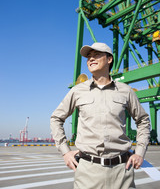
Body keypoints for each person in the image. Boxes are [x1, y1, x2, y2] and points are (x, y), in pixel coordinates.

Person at [50, 42, 150, 189]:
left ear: (109, 59)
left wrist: (140, 152)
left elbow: (143, 120)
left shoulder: (126, 91)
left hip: (122, 172)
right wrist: (65, 152)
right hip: (87, 171)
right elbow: (56, 118)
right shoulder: (78, 91)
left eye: (96, 55)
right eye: (88, 57)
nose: (90, 59)